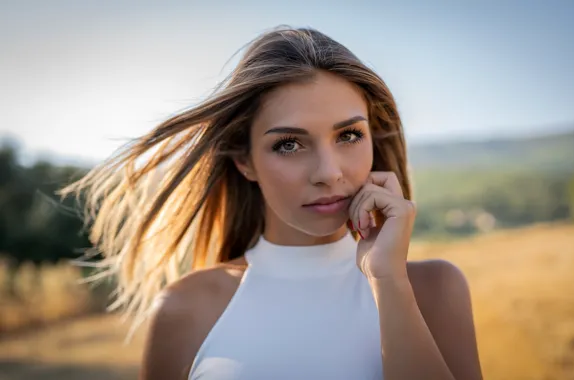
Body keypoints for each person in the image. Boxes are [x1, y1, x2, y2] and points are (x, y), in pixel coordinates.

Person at [61, 26, 483, 380]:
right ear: (244, 160)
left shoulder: (434, 289)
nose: (328, 172)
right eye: (288, 144)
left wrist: (389, 284)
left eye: (349, 135)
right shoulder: (185, 308)